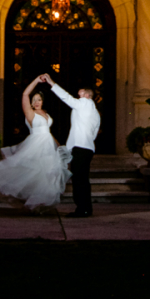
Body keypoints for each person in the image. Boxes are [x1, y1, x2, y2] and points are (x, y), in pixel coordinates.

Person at [0, 74, 70, 211]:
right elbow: (25, 94)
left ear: (42, 101)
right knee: (32, 172)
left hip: (48, 146)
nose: (36, 102)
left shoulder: (45, 113)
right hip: (35, 145)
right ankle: (34, 205)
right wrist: (36, 80)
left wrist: (58, 145)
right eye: (34, 100)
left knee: (46, 176)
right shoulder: (30, 113)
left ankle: (40, 205)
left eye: (39, 99)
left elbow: (48, 132)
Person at [45, 73, 101, 218]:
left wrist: (51, 83)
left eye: (81, 92)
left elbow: (66, 98)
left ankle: (82, 209)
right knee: (83, 179)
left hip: (80, 147)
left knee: (78, 180)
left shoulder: (84, 103)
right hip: (88, 148)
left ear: (87, 95)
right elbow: (94, 133)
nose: (78, 94)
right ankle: (86, 208)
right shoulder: (96, 113)